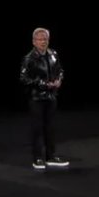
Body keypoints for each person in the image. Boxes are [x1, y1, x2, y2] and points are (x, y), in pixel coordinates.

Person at [19, 26, 68, 169]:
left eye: (45, 39)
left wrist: (59, 80)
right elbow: (23, 78)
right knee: (37, 128)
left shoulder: (53, 54)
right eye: (40, 39)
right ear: (34, 41)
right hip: (37, 98)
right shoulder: (29, 58)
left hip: (51, 96)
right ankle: (37, 158)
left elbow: (60, 70)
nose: (43, 42)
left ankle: (51, 156)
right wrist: (42, 84)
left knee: (50, 128)